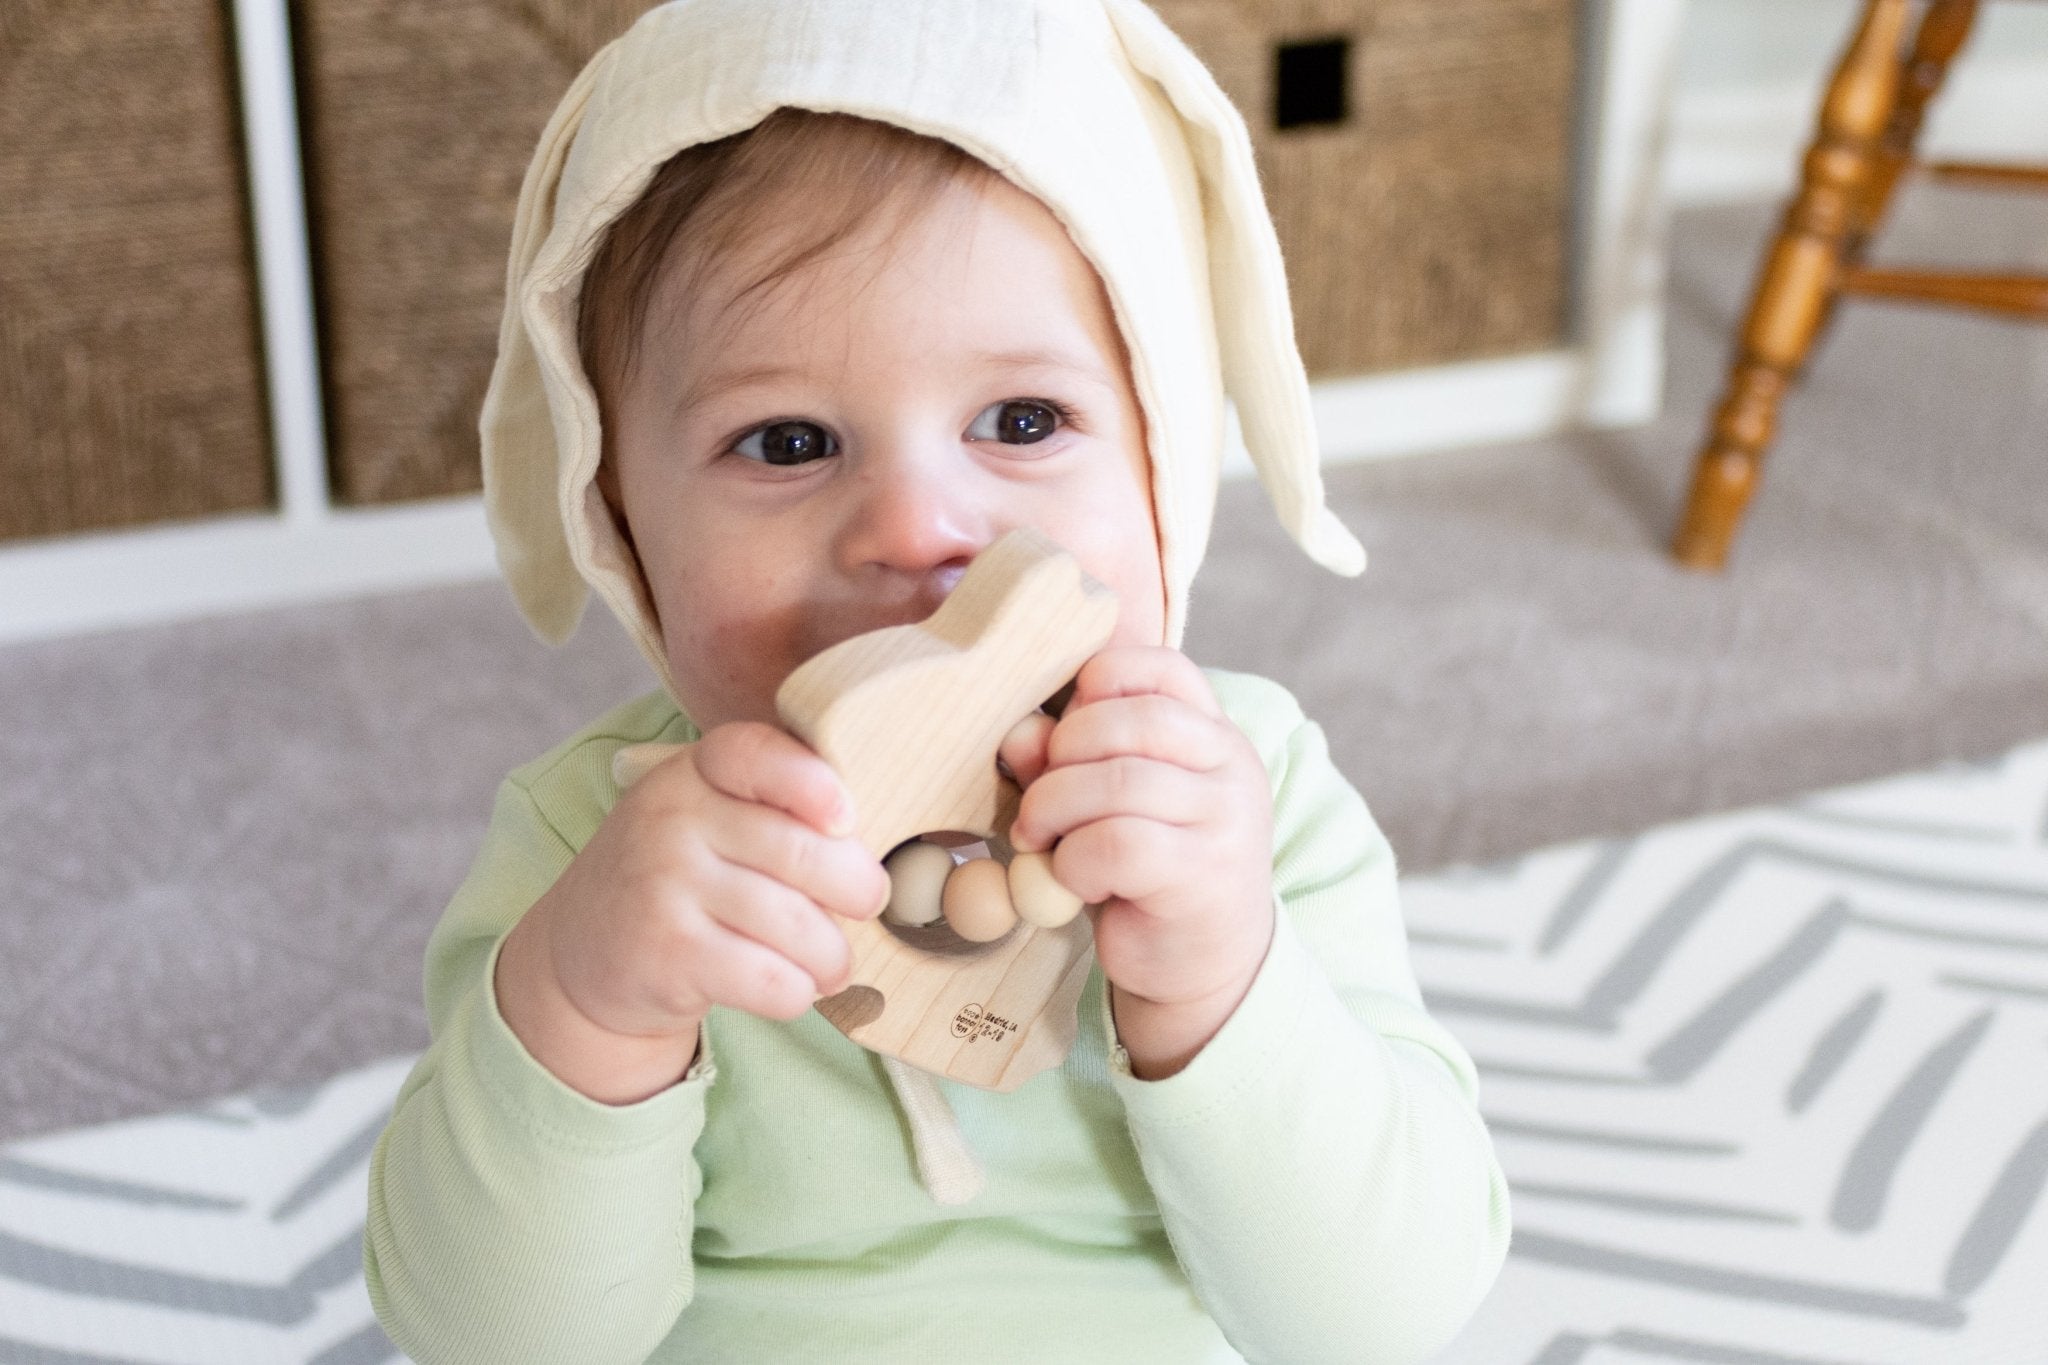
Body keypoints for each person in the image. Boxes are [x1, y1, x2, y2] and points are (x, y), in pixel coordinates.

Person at [364, 1, 1511, 1361]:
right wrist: (589, 1010)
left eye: (1023, 421)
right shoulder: (596, 839)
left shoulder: (1245, 794)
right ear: (623, 523)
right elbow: (489, 1341)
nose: (917, 527)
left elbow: (1385, 1318)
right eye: (786, 439)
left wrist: (1219, 973)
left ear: (1164, 463)